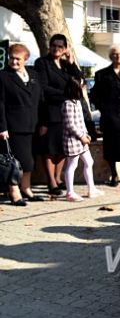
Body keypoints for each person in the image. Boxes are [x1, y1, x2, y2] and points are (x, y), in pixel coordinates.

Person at [33, 33, 83, 196]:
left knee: (62, 148)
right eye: (54, 45)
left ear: (65, 49)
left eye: (60, 46)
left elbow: (79, 81)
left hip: (66, 113)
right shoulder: (42, 63)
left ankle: (58, 178)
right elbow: (43, 87)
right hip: (50, 111)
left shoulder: (66, 64)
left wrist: (71, 62)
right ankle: (51, 182)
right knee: (49, 148)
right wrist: (66, 95)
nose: (56, 49)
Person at [0, 43, 44, 205]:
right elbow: (0, 104)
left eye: (18, 59)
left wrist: (43, 123)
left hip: (32, 125)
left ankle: (26, 188)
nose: (14, 62)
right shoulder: (3, 76)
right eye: (11, 58)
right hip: (13, 126)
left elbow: (40, 99)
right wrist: (2, 127)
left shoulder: (33, 75)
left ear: (25, 59)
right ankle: (14, 192)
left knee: (29, 161)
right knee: (16, 161)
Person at [90, 44, 120, 187]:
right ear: (110, 56)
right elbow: (95, 95)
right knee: (111, 148)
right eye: (115, 54)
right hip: (110, 118)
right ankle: (114, 175)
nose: (118, 56)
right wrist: (104, 108)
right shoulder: (102, 74)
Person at [62, 78, 103, 202]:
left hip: (81, 140)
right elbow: (70, 124)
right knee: (72, 164)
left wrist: (86, 134)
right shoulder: (67, 104)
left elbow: (81, 121)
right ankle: (70, 192)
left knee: (89, 162)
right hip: (73, 140)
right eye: (82, 86)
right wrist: (81, 136)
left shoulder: (77, 102)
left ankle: (91, 188)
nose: (84, 88)